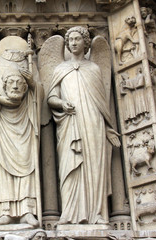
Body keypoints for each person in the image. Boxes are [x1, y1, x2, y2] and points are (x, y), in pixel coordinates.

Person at [47, 26, 120, 224]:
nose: (73, 42)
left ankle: (97, 213)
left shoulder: (94, 69)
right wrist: (62, 103)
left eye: (78, 39)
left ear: (86, 43)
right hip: (70, 122)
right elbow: (51, 97)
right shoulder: (60, 69)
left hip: (93, 122)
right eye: (70, 39)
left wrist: (107, 127)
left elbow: (102, 103)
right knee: (69, 167)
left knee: (94, 166)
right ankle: (70, 214)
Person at [0, 42, 43, 227]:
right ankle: (4, 210)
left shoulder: (29, 63)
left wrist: (32, 83)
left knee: (27, 162)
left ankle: (27, 209)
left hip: (25, 118)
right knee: (1, 163)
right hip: (1, 119)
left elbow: (39, 90)